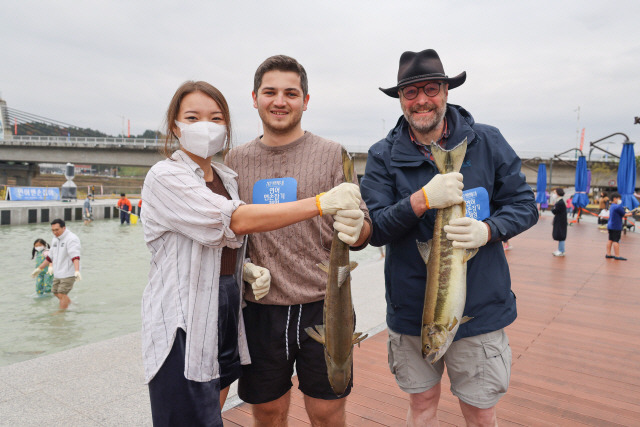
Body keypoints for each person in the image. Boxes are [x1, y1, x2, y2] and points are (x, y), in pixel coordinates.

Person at [141, 80, 362, 427]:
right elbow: (236, 219)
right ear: (174, 125)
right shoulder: (165, 176)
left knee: (212, 411)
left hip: (232, 308)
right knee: (190, 414)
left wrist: (243, 270)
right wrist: (320, 203)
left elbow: (225, 243)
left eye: (216, 118)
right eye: (193, 117)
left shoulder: (227, 177)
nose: (206, 126)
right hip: (188, 316)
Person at [360, 48, 538, 426]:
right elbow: (375, 229)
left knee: (479, 409)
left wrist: (488, 230)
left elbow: (524, 205)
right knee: (422, 403)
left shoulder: (487, 142)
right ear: (400, 99)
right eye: (410, 92)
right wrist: (421, 200)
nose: (421, 99)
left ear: (445, 91)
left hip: (481, 311)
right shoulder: (383, 156)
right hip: (412, 315)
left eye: (430, 89)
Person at [225, 55, 371, 427]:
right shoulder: (234, 159)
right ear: (254, 97)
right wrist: (244, 270)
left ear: (305, 100)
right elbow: (227, 230)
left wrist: (359, 229)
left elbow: (363, 228)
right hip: (260, 307)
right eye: (270, 92)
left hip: (326, 303)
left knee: (326, 410)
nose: (280, 101)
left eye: (291, 93)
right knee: (269, 411)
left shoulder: (331, 153)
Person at [31, 219, 81, 310]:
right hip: (58, 272)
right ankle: (72, 305)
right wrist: (39, 269)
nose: (55, 232)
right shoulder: (55, 239)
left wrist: (77, 271)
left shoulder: (72, 239)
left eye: (57, 229)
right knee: (55, 292)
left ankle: (61, 314)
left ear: (64, 228)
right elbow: (50, 257)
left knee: (62, 293)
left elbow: (75, 256)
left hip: (69, 272)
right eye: (53, 230)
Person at [605, 193, 627, 261]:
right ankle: (617, 255)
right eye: (619, 198)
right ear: (615, 198)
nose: (620, 200)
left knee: (610, 240)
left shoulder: (612, 206)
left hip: (610, 225)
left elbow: (621, 214)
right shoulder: (618, 206)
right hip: (616, 226)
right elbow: (624, 214)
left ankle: (608, 254)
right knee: (616, 241)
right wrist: (632, 213)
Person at [551, 188, 567, 256]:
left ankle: (561, 250)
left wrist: (553, 208)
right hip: (560, 221)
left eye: (554, 193)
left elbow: (555, 211)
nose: (553, 194)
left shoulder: (560, 202)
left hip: (561, 221)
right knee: (560, 235)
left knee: (561, 236)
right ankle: (560, 250)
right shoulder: (559, 201)